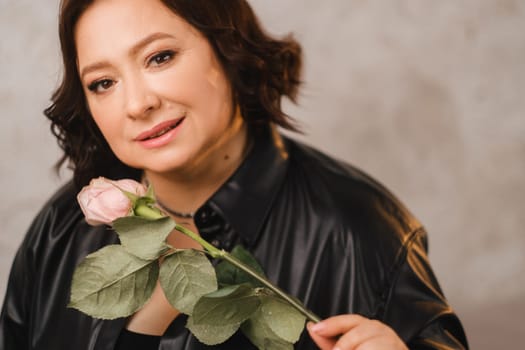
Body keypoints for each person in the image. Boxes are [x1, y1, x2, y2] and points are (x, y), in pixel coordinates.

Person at [0, 0, 468, 349]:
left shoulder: (358, 229)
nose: (136, 104)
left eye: (159, 57)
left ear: (228, 49)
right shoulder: (64, 223)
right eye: (103, 83)